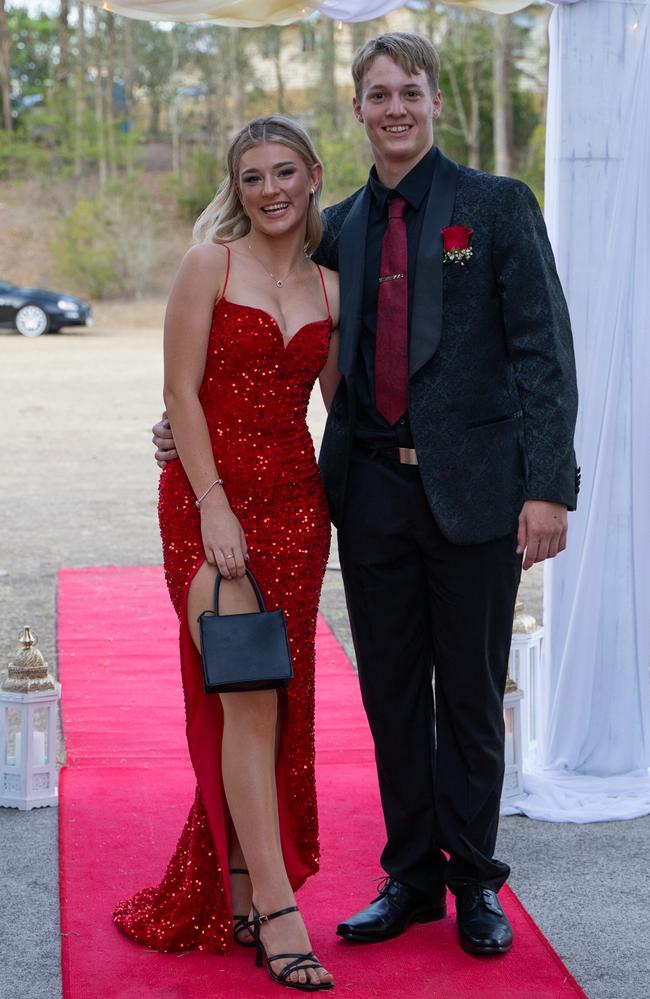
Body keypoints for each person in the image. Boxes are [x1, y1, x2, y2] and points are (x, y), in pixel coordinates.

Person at [154, 32, 579, 958]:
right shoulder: (333, 225)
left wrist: (549, 487)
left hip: (476, 495)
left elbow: (543, 350)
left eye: (410, 92)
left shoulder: (496, 206)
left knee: (467, 693)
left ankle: (474, 880)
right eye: (377, 93)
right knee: (390, 693)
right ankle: (412, 876)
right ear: (356, 109)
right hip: (368, 496)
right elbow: (273, 359)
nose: (395, 108)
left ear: (433, 102)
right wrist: (184, 440)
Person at [117, 115, 340, 993]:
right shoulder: (208, 263)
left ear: (314, 176)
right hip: (210, 507)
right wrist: (210, 502)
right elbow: (180, 388)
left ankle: (243, 880)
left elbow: (348, 410)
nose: (271, 189)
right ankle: (281, 914)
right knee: (245, 694)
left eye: (285, 172)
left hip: (296, 509)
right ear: (236, 187)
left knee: (275, 705)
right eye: (253, 177)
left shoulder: (331, 287)